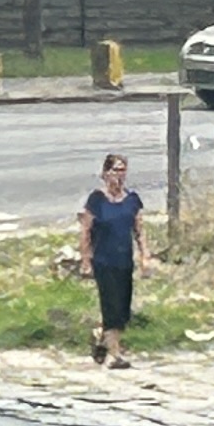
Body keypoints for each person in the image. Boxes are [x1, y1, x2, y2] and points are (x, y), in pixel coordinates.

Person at [78, 151, 146, 367]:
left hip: (124, 260)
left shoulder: (132, 200)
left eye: (123, 170)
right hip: (103, 260)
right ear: (105, 173)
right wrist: (86, 260)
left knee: (123, 310)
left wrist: (145, 254)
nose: (120, 175)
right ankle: (113, 355)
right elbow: (86, 231)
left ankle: (100, 336)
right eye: (116, 170)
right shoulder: (96, 200)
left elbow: (139, 230)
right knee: (111, 306)